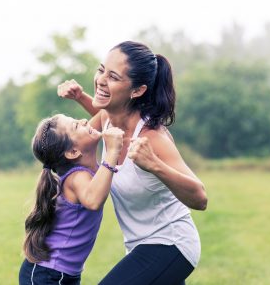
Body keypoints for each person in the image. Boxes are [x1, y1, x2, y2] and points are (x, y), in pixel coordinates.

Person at [57, 41, 208, 284]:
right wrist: (80, 97)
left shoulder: (152, 138)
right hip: (139, 246)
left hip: (171, 244)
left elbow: (200, 198)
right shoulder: (106, 120)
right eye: (101, 69)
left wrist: (154, 165)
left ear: (137, 91)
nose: (101, 79)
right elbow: (87, 131)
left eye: (113, 77)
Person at [19, 114, 124, 285]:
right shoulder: (77, 177)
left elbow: (103, 114)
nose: (84, 121)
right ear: (73, 152)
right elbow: (93, 201)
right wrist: (112, 152)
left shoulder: (86, 169)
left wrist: (80, 96)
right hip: (48, 274)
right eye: (76, 125)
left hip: (60, 273)